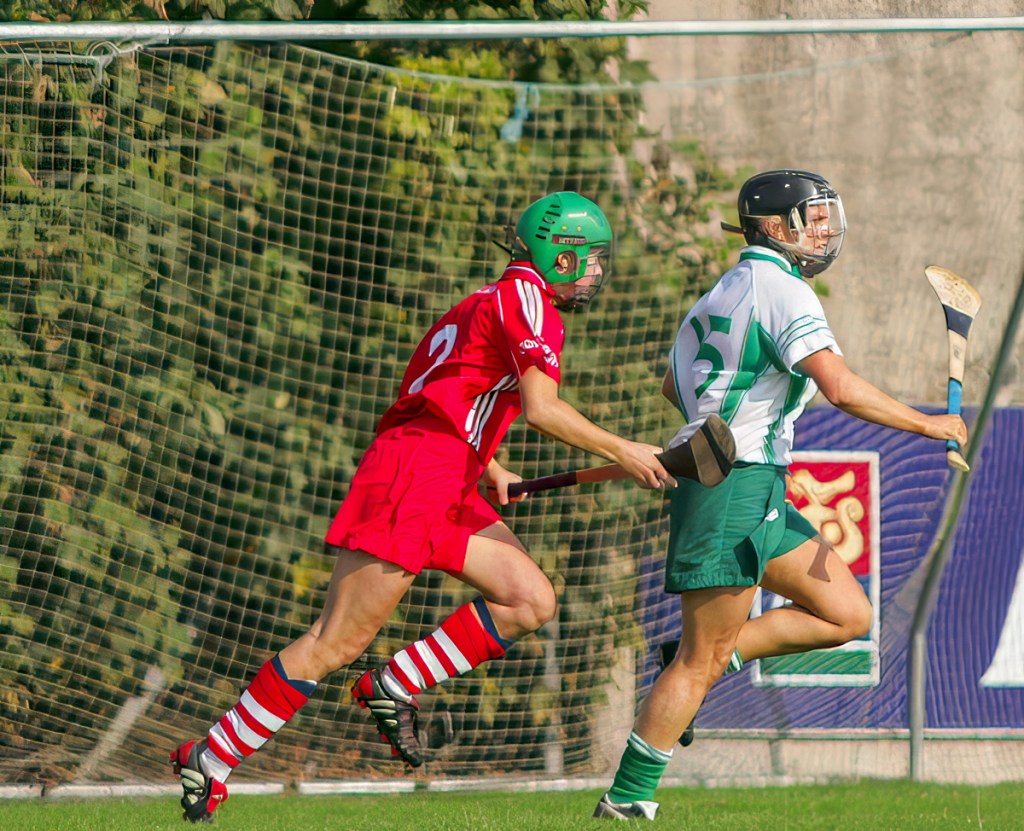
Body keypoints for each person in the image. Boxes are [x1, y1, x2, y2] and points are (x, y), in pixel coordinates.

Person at [169, 191, 733, 824]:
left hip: (446, 474)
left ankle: (395, 683)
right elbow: (542, 409)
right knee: (336, 642)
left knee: (528, 600)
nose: (597, 272)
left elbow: (438, 391)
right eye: (592, 259)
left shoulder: (483, 301)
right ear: (561, 255)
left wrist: (488, 465)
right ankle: (211, 756)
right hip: (414, 477)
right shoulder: (531, 306)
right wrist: (623, 450)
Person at [593, 170, 969, 820]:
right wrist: (929, 422)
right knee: (699, 661)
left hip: (752, 484)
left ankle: (705, 660)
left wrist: (722, 418)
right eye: (812, 218)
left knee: (846, 614)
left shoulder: (723, 289)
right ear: (775, 226)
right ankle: (625, 801)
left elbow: (673, 386)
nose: (824, 231)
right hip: (731, 489)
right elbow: (840, 388)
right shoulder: (785, 290)